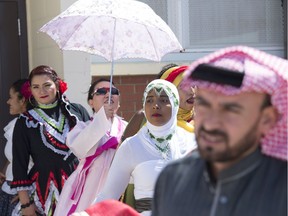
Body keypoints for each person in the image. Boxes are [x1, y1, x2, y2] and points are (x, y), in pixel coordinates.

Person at [152, 46, 287, 216]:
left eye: (230, 109)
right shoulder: (172, 180)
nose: (210, 124)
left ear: (267, 119)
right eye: (204, 105)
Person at [75, 79, 196, 216]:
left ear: (175, 104)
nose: (155, 105)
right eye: (149, 100)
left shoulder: (193, 142)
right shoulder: (132, 146)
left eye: (163, 100)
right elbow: (108, 195)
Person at [10, 65, 90, 216]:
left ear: (58, 85)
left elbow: (94, 148)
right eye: (36, 87)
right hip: (44, 192)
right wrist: (25, 203)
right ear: (30, 91)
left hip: (79, 188)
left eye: (47, 85)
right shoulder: (25, 121)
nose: (42, 91)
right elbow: (19, 165)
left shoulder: (76, 111)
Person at [121, 63, 196, 208]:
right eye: (183, 86)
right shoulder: (143, 118)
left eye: (194, 84)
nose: (191, 91)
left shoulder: (202, 121)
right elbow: (121, 165)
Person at [54, 78, 127, 216]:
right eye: (100, 91)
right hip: (89, 186)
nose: (108, 95)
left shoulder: (128, 128)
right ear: (91, 102)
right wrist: (102, 118)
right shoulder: (83, 127)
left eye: (113, 91)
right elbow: (80, 148)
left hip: (119, 186)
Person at [0, 79, 30, 215]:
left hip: (22, 197)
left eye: (11, 97)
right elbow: (15, 158)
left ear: (22, 100)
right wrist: (4, 171)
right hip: (9, 191)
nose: (8, 102)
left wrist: (27, 195)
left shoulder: (32, 126)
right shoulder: (17, 123)